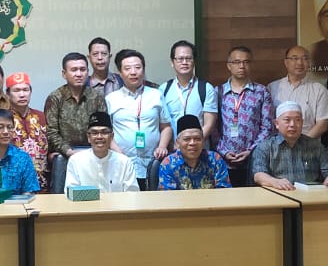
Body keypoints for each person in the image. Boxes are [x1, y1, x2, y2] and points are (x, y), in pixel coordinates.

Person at [106, 49, 171, 189]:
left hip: (152, 161)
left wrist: (162, 146)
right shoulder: (111, 99)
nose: (133, 72)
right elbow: (107, 133)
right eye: (127, 68)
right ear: (120, 73)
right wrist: (118, 153)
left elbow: (165, 126)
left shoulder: (156, 95)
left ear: (143, 69)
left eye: (138, 67)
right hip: (122, 162)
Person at [215, 46, 274, 186]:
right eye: (236, 62)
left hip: (254, 159)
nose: (242, 66)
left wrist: (250, 151)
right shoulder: (218, 91)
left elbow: (267, 127)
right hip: (224, 160)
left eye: (246, 62)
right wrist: (224, 152)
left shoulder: (261, 92)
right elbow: (213, 128)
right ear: (229, 65)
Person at [252, 101, 328, 190]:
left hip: (311, 197)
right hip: (279, 196)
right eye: (287, 120)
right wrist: (274, 182)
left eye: (297, 120)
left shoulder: (315, 145)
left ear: (302, 122)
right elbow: (258, 175)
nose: (292, 125)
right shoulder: (265, 146)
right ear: (276, 123)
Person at [44, 52, 106, 160]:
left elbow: (103, 128)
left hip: (93, 152)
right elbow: (51, 132)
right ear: (64, 74)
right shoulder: (55, 98)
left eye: (82, 69)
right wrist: (69, 152)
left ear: (87, 72)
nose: (79, 74)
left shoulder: (97, 97)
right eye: (74, 70)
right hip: (65, 153)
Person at [268, 45, 328, 138]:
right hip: (278, 146)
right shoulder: (272, 88)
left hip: (308, 146)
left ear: (309, 63)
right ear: (286, 62)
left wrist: (302, 144)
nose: (300, 63)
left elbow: (322, 124)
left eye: (305, 58)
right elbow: (267, 121)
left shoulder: (319, 90)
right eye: (294, 58)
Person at [64, 111, 139, 192]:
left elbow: (132, 195)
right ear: (88, 137)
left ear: (112, 136)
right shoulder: (76, 161)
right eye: (94, 133)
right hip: (86, 205)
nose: (99, 137)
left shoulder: (125, 162)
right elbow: (71, 194)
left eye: (104, 132)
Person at [159, 40, 218, 139]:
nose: (184, 62)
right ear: (172, 62)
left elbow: (209, 124)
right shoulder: (163, 89)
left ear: (194, 61)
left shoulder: (206, 88)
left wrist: (191, 143)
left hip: (198, 149)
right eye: (180, 59)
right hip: (172, 148)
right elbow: (162, 124)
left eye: (188, 58)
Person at [158, 115, 231, 190]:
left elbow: (224, 192)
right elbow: (168, 198)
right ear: (177, 143)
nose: (192, 143)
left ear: (203, 141)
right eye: (187, 139)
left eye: (197, 139)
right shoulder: (168, 164)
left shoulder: (215, 160)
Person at [6, 72, 49, 189]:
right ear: (8, 94)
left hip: (42, 183)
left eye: (25, 90)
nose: (22, 94)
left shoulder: (41, 116)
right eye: (16, 90)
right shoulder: (3, 119)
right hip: (13, 185)